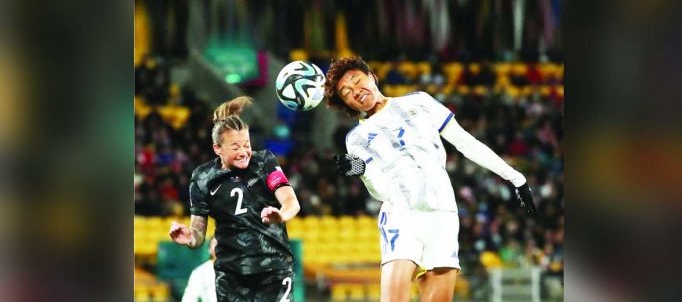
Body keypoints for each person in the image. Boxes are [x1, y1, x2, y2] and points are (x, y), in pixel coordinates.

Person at [324, 57, 536, 302]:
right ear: (347, 104)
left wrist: (515, 177)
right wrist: (363, 170)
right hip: (401, 216)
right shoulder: (357, 138)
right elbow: (382, 192)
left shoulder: (420, 102)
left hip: (443, 214)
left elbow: (466, 143)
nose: (355, 91)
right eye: (346, 93)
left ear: (371, 76)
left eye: (356, 80)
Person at [169, 96, 301, 301]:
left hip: (273, 268)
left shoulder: (264, 162)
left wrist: (281, 215)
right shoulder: (202, 177)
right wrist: (190, 238)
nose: (243, 152)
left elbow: (291, 202)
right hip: (232, 274)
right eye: (235, 147)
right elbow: (198, 233)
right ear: (217, 148)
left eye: (246, 144)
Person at [181, 237, 218, 302]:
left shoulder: (237, 267)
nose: (219, 247)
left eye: (222, 244)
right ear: (209, 249)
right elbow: (189, 298)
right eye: (215, 243)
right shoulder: (200, 272)